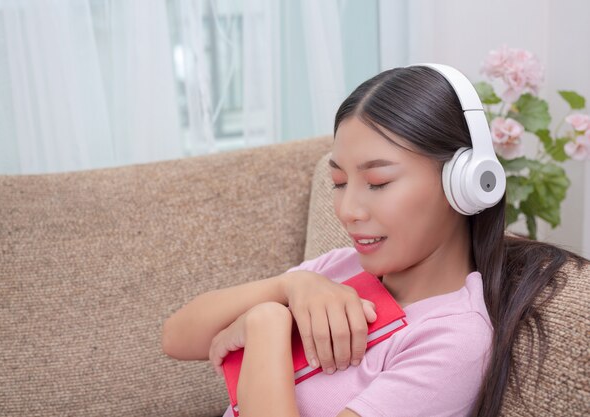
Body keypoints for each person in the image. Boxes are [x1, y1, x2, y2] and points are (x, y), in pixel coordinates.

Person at [161, 65, 587, 417]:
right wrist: (289, 287)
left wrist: (266, 325)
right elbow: (177, 337)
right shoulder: (338, 270)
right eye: (339, 182)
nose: (348, 210)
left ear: (465, 184)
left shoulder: (452, 340)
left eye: (378, 182)